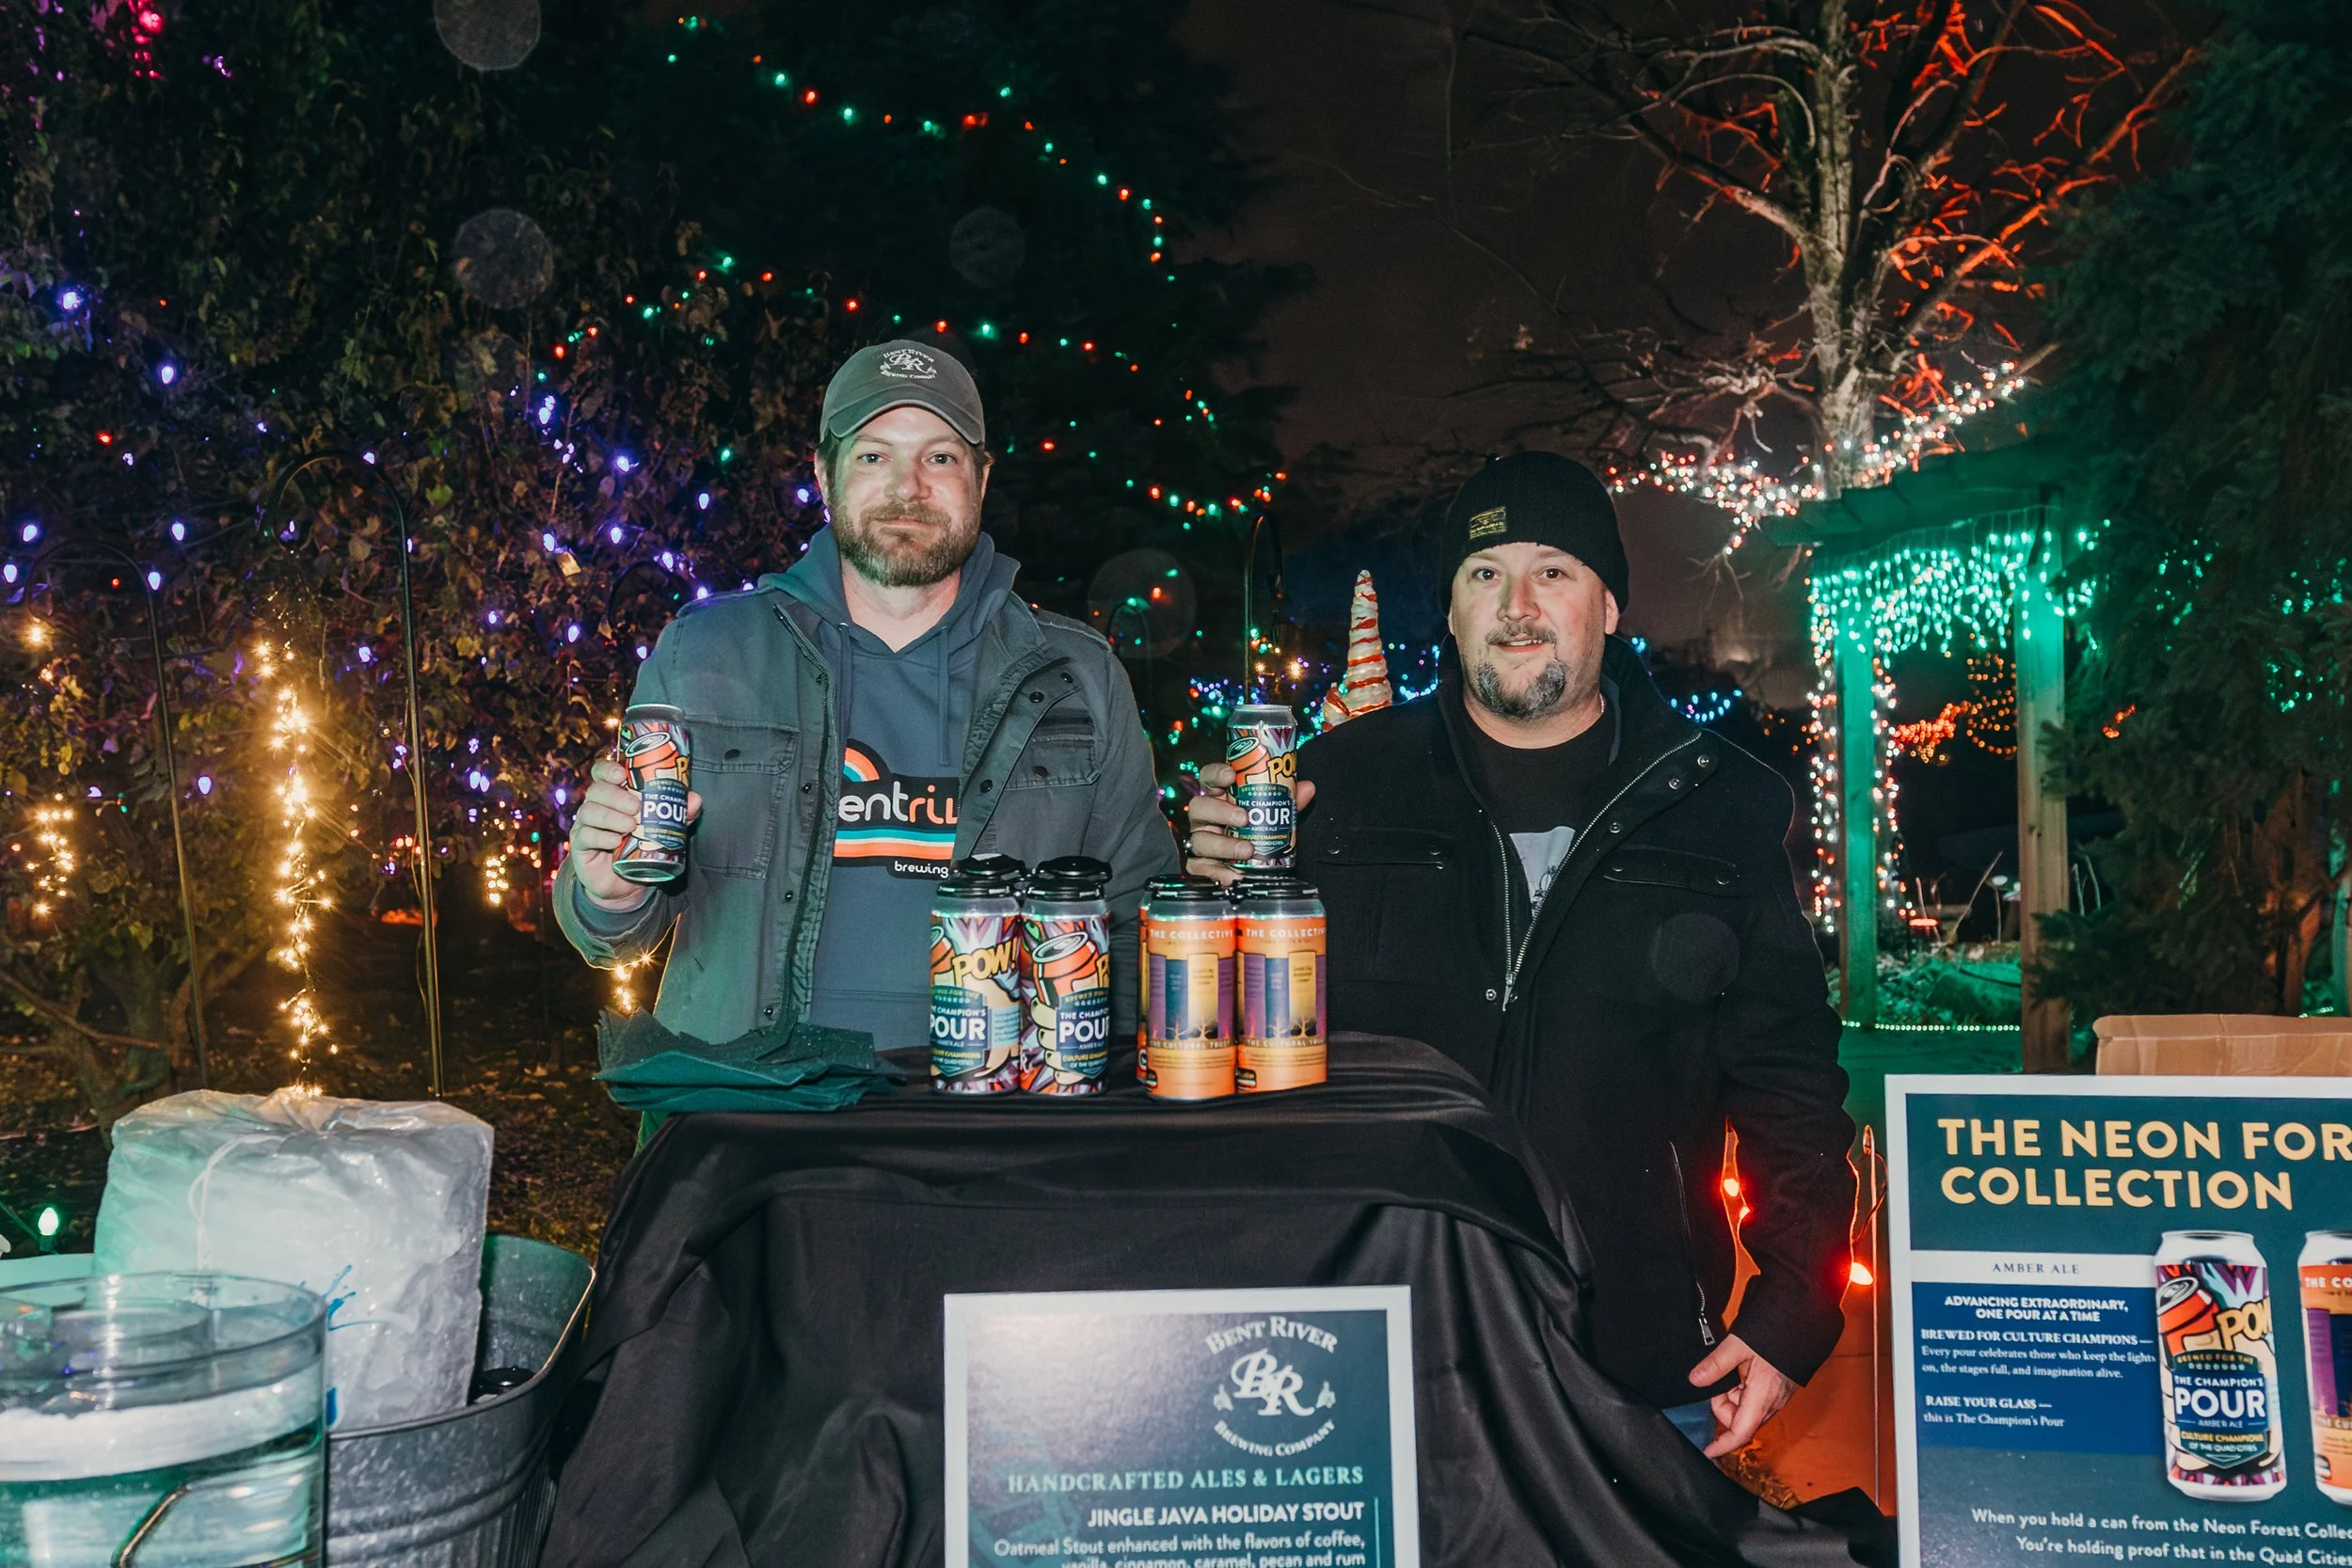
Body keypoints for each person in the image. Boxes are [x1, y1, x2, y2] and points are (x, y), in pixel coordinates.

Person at [1184, 451, 1854, 1457]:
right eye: (1483, 572)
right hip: (1367, 1356)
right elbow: (1226, 1053)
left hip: (1632, 1364)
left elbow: (1791, 1086)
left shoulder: (1724, 804)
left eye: (1554, 570)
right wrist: (1210, 891)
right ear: (1450, 613)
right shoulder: (1332, 788)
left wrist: (1794, 1310)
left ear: (1610, 605)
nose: (1517, 603)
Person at [555, 339, 1180, 1052]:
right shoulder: (705, 650)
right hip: (753, 1121)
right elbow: (616, 931)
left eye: (939, 457)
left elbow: (1139, 928)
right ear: (824, 474)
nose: (907, 487)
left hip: (999, 1124)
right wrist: (610, 893)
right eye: (874, 455)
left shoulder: (1078, 675)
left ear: (981, 477)